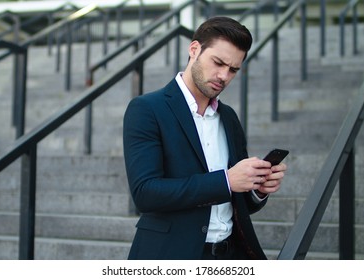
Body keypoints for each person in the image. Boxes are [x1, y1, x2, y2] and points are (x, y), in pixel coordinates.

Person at [123, 16, 287, 260]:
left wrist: (257, 190)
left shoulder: (228, 117)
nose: (223, 76)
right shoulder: (147, 109)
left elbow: (236, 203)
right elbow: (146, 193)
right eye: (218, 63)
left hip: (230, 255)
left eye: (233, 69)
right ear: (194, 49)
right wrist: (226, 181)